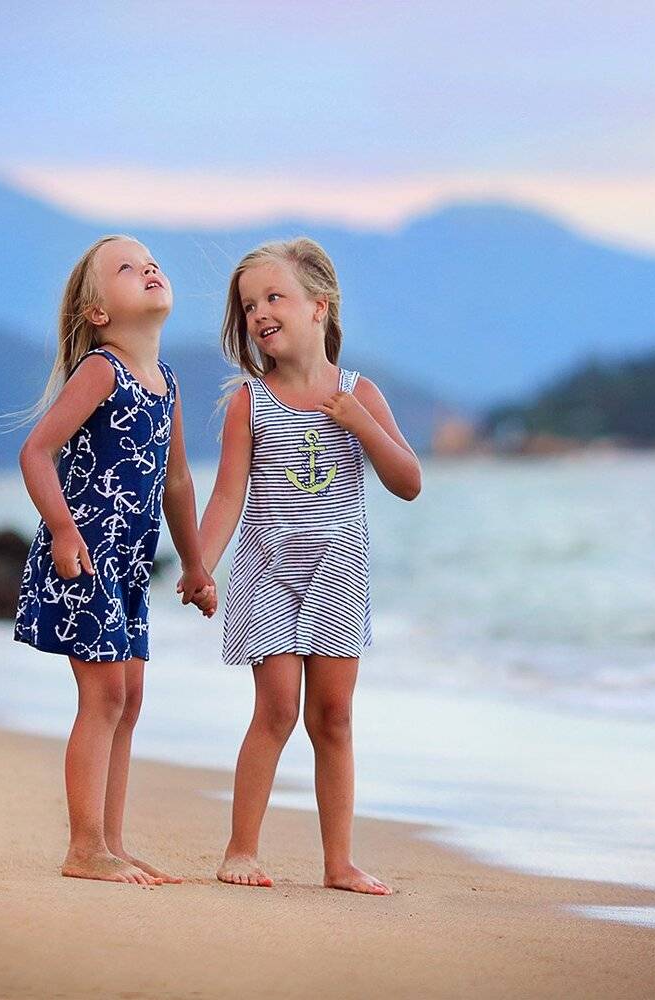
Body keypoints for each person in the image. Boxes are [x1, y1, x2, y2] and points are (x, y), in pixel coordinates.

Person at [198, 237, 421, 894]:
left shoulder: (359, 393)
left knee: (333, 718)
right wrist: (201, 565)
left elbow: (408, 481)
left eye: (274, 297)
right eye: (249, 306)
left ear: (319, 306)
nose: (260, 313)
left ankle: (339, 862)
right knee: (276, 710)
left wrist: (362, 424)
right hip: (267, 568)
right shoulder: (250, 402)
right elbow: (227, 495)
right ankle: (241, 849)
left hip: (338, 572)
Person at [14, 235, 216, 886]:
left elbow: (177, 482)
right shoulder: (102, 370)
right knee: (103, 698)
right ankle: (84, 848)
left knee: (128, 700)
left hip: (129, 568)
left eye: (151, 261)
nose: (149, 268)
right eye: (127, 268)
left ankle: (111, 842)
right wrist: (62, 530)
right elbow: (36, 452)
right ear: (98, 313)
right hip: (85, 556)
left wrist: (195, 565)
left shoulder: (167, 383)